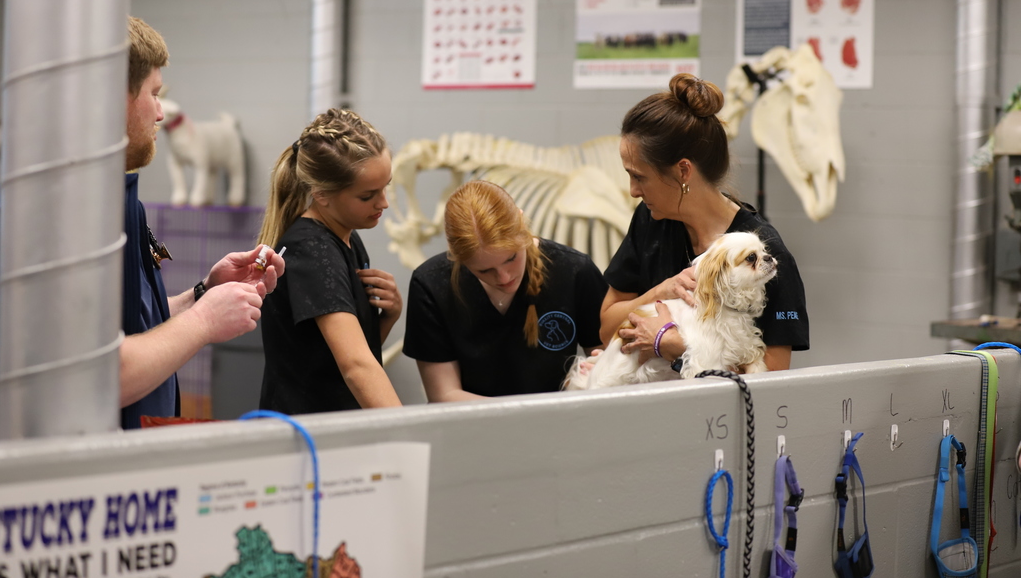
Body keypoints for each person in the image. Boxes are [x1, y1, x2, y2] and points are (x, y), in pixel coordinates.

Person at [120, 16, 285, 429]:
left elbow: (141, 329)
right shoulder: (70, 218)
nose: (161, 113)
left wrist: (204, 292)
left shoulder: (124, 205)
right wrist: (205, 320)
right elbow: (103, 375)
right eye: (153, 95)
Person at [601, 73, 809, 371]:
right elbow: (607, 328)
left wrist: (674, 348)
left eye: (639, 176)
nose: (633, 191)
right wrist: (662, 291)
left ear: (683, 170)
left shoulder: (766, 254)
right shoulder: (651, 220)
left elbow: (771, 377)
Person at [403, 180, 607, 400]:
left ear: (522, 224)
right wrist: (524, 419)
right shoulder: (431, 285)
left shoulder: (575, 271)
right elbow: (444, 394)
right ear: (457, 257)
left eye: (511, 258)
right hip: (473, 426)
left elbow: (607, 368)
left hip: (560, 422)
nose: (504, 277)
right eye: (484, 270)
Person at [257, 108, 403, 414]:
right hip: (307, 429)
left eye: (386, 187)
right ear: (322, 195)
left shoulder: (347, 238)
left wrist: (387, 317)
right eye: (368, 196)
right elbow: (356, 366)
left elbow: (335, 355)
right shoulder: (312, 250)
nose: (384, 203)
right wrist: (404, 434)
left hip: (334, 420)